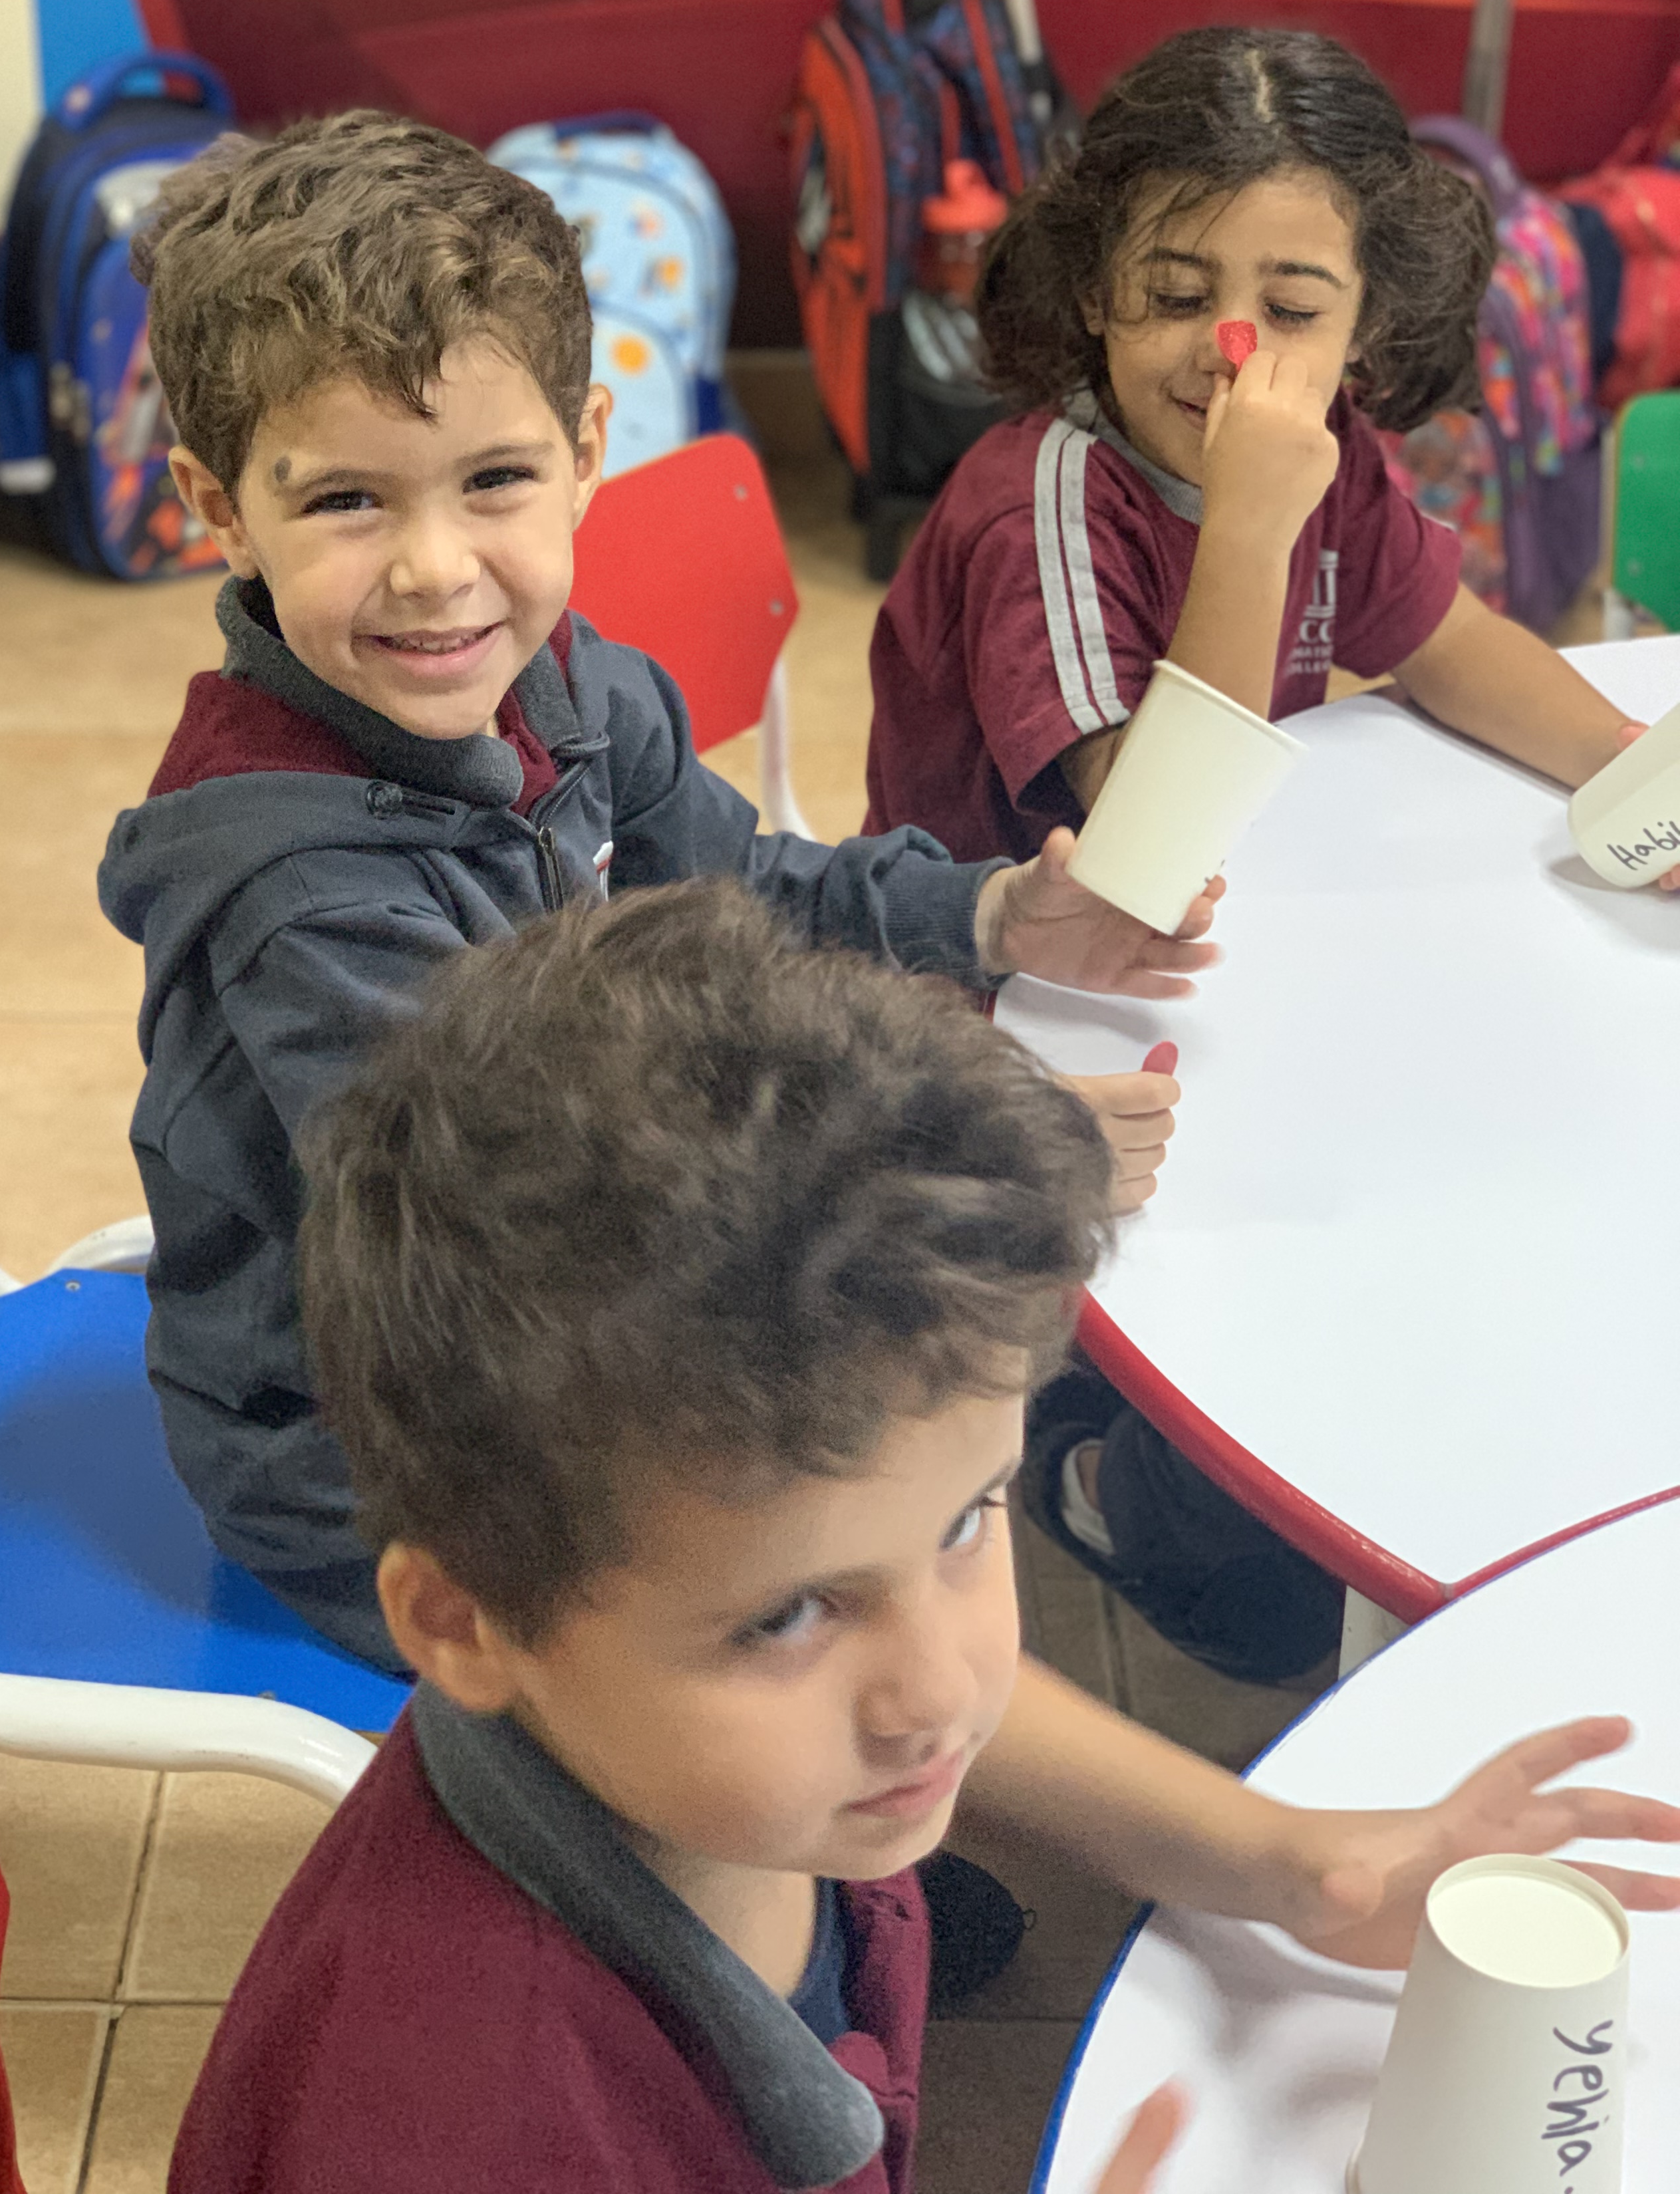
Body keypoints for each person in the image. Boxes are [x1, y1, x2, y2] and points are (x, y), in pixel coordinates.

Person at [168, 880, 1680, 2194]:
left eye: (966, 1521)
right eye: (789, 1618)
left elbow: (959, 1705)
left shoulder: (688, 1740)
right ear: (464, 1622)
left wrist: (1291, 1866)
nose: (942, 1689)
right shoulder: (471, 2134)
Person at [98, 108, 1208, 1681]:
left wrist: (991, 920)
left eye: (494, 479)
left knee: (884, 1469)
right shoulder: (301, 892)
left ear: (586, 454)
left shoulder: (564, 684)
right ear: (222, 512)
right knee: (803, 1597)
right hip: (367, 1464)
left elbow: (738, 889)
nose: (435, 570)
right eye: (348, 501)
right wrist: (965, 1139)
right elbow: (531, 1229)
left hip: (563, 1320)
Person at [863, 25, 1676, 1684]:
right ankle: (1096, 1474)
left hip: (1222, 965)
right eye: (1177, 292)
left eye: (1292, 309)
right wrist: (1247, 521)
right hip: (1007, 1010)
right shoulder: (1049, 504)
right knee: (1267, 1608)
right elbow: (1146, 856)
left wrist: (1640, 776)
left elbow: (1445, 644)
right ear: (1094, 287)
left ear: (1369, 321)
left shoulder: (1333, 453)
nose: (1232, 352)